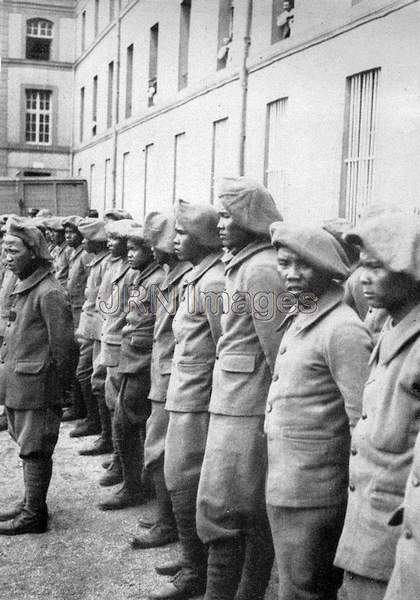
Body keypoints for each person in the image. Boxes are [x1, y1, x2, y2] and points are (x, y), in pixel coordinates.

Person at [266, 222, 372, 600]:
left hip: (315, 491)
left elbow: (363, 422)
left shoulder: (342, 328)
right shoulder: (305, 316)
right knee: (295, 584)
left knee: (305, 589)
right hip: (288, 480)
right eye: (285, 263)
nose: (292, 274)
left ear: (327, 269)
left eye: (304, 265)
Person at [196, 177, 284, 600]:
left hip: (248, 406)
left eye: (229, 214)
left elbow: (277, 353)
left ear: (249, 218)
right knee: (228, 507)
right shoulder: (243, 263)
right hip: (232, 399)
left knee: (231, 509)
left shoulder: (262, 268)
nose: (220, 222)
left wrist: (271, 417)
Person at [334, 212, 420, 600]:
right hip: (367, 518)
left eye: (377, 267)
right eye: (362, 266)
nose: (363, 277)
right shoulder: (389, 327)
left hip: (395, 530)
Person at [148, 200, 225, 600]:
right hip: (183, 393)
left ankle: (198, 570)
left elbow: (223, 347)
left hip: (198, 399)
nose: (176, 241)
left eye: (183, 234)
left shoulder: (214, 283)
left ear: (201, 238)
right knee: (179, 479)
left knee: (187, 480)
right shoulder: (198, 277)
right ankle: (192, 559)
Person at [0, 217, 75, 535]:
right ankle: (33, 502)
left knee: (35, 448)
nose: (7, 257)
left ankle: (34, 515)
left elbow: (65, 348)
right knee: (26, 444)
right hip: (21, 383)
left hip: (37, 386)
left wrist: (60, 387)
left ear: (33, 252)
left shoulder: (49, 293)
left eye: (13, 250)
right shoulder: (24, 285)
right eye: (4, 250)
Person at [130, 211, 191, 552]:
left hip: (173, 379)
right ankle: (165, 518)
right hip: (162, 373)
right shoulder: (172, 275)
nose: (152, 248)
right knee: (158, 449)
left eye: (157, 242)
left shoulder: (185, 279)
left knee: (162, 450)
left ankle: (168, 524)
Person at [98, 223, 165, 511]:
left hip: (143, 361)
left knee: (125, 423)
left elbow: (161, 325)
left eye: (136, 249)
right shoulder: (142, 276)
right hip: (132, 358)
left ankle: (134, 487)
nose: (129, 253)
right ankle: (136, 482)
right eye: (129, 248)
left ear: (151, 252)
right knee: (128, 422)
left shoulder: (156, 280)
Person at [78, 218, 133, 458]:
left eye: (115, 239)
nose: (109, 243)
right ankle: (108, 440)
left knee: (116, 399)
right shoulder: (113, 264)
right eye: (108, 238)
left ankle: (116, 453)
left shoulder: (129, 269)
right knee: (101, 386)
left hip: (118, 340)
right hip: (105, 334)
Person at [70, 218, 109, 438]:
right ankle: (94, 422)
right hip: (89, 328)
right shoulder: (97, 261)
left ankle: (99, 427)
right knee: (88, 375)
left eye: (87, 238)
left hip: (98, 330)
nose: (84, 242)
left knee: (90, 376)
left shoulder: (104, 264)